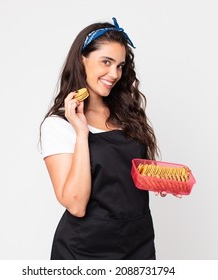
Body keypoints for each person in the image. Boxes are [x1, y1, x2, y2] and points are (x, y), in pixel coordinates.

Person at [39, 17, 160, 260]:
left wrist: (160, 180)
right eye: (106, 62)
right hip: (85, 250)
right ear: (82, 59)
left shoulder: (127, 115)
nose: (114, 74)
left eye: (120, 65)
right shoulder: (59, 125)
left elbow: (129, 176)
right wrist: (82, 133)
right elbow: (76, 203)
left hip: (138, 243)